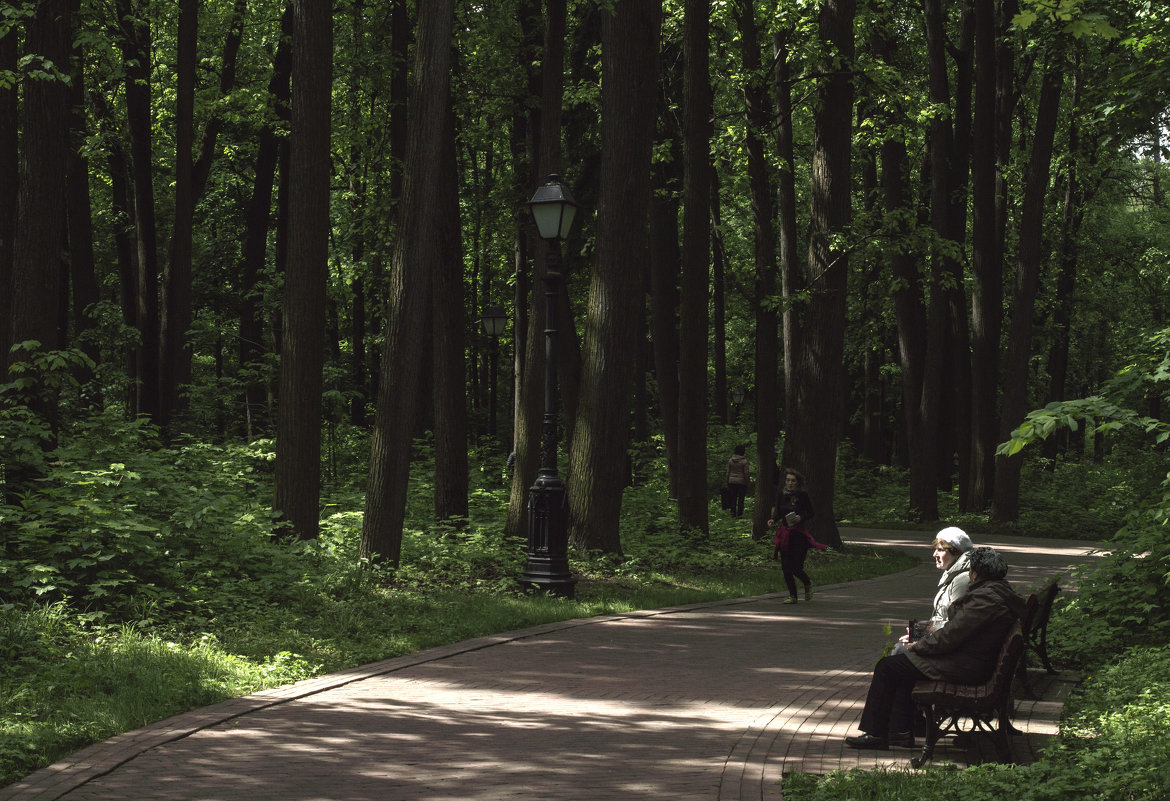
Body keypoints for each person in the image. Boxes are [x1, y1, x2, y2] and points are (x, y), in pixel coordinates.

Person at [844, 546, 1026, 750]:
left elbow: (951, 636)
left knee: (888, 667)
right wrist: (920, 633)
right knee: (901, 666)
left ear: (976, 572)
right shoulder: (996, 592)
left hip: (967, 666)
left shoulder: (986, 599)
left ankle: (877, 733)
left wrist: (918, 646)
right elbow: (956, 627)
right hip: (972, 660)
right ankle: (900, 730)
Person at [894, 526, 975, 651]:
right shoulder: (952, 574)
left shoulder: (963, 580)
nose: (934, 554)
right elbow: (946, 619)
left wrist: (926, 633)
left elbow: (959, 626)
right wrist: (921, 632)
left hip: (953, 650)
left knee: (898, 651)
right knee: (899, 647)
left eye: (940, 550)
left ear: (956, 552)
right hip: (943, 641)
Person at [767, 468, 827, 604]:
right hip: (785, 534)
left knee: (796, 568)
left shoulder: (802, 495)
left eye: (793, 481)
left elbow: (811, 512)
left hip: (798, 535)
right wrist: (773, 520)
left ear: (797, 482)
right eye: (788, 480)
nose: (790, 483)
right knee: (785, 567)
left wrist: (801, 517)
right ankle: (793, 596)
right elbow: (778, 511)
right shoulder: (781, 494)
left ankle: (807, 583)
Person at [725, 445, 751, 518]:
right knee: (741, 499)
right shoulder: (744, 461)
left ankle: (733, 514)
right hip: (741, 482)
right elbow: (746, 473)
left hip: (731, 481)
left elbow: (728, 472)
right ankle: (740, 514)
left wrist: (726, 482)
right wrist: (747, 483)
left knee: (733, 498)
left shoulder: (730, 460)